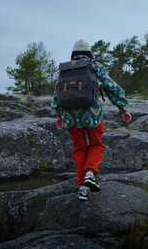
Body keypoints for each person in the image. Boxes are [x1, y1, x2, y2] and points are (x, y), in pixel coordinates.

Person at [51, 39, 133, 201]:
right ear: (90, 52)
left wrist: (58, 114)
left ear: (73, 53)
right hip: (92, 114)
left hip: (69, 114)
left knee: (79, 148)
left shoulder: (65, 69)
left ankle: (82, 187)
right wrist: (122, 107)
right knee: (96, 145)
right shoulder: (95, 66)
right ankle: (90, 173)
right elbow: (111, 86)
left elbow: (57, 94)